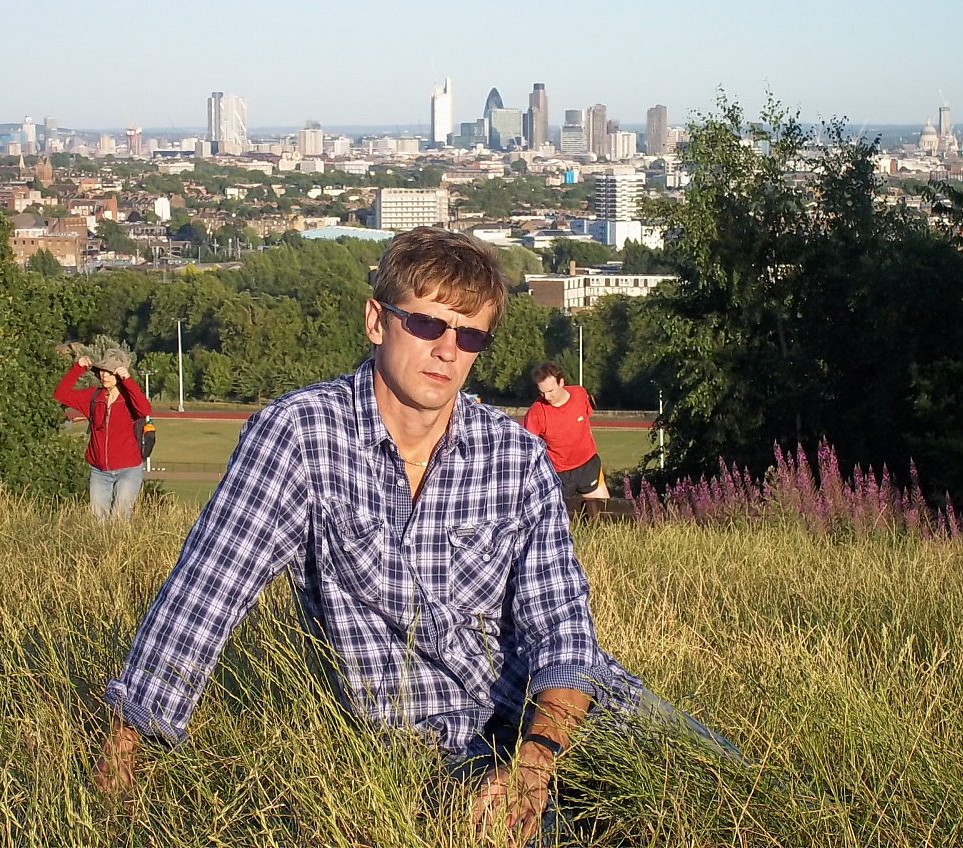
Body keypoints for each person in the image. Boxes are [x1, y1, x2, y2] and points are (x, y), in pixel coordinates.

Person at [92, 228, 742, 844]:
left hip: (565, 714)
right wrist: (123, 755)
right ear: (377, 321)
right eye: (428, 324)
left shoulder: (516, 458)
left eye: (471, 335)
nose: (448, 350)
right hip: (436, 743)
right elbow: (206, 594)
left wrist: (537, 760)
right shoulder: (300, 437)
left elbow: (564, 629)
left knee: (741, 803)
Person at [53, 338, 151, 521]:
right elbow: (61, 395)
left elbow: (144, 410)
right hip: (99, 470)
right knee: (98, 520)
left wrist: (129, 381)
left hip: (128, 469)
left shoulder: (129, 399)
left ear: (119, 375)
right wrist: (77, 368)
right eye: (102, 370)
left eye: (110, 372)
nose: (104, 375)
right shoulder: (94, 397)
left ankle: (120, 542)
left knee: (120, 519)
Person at [523, 361, 611, 521]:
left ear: (561, 382)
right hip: (558, 475)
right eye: (542, 392)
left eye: (550, 391)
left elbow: (586, 420)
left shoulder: (580, 394)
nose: (546, 397)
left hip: (588, 466)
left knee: (605, 516)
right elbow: (528, 450)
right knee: (557, 523)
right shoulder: (536, 413)